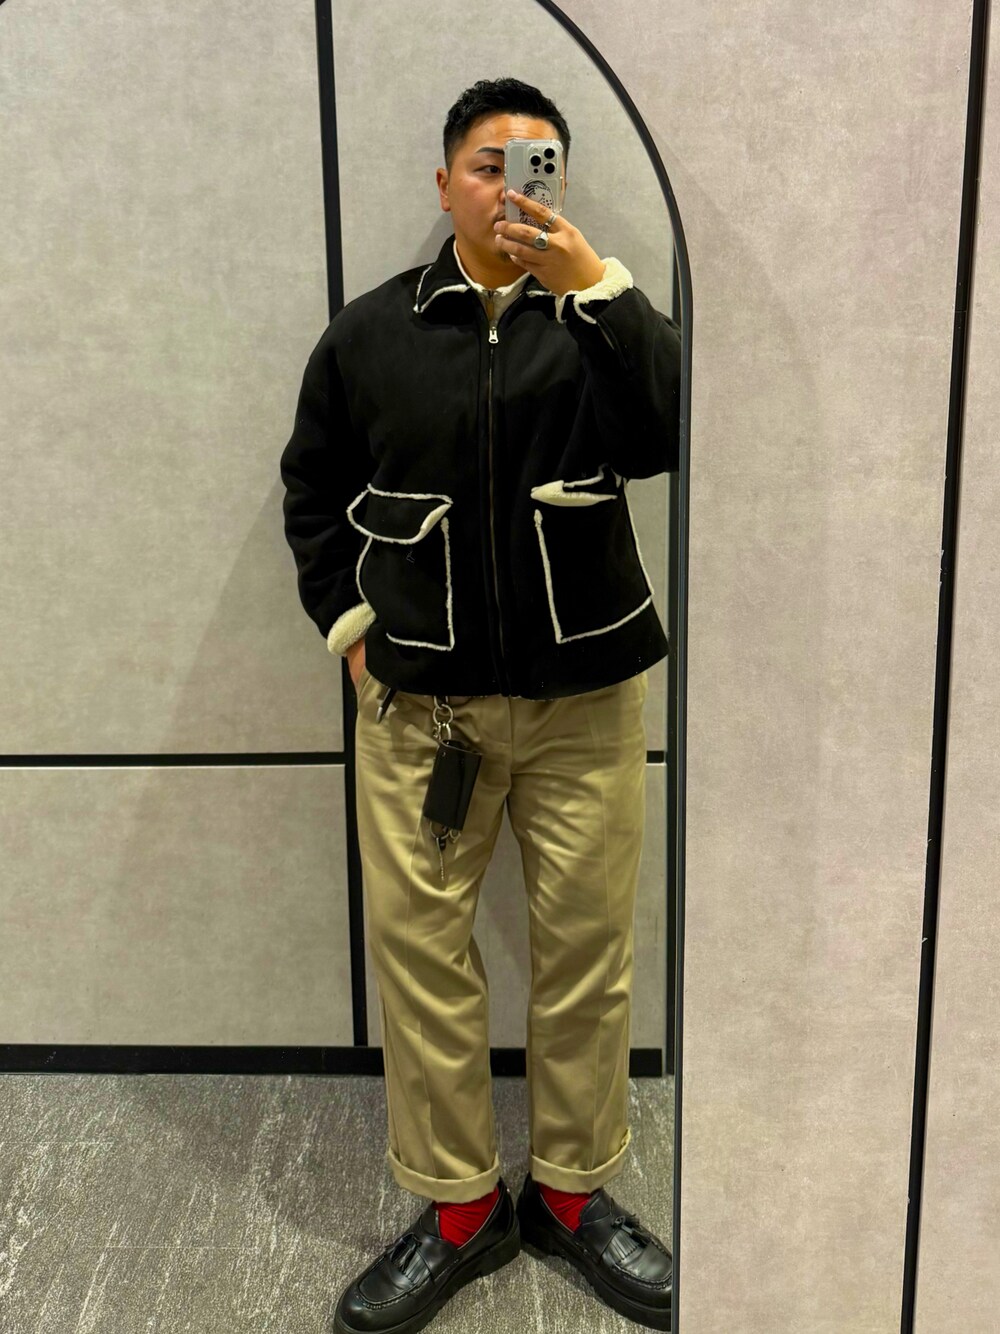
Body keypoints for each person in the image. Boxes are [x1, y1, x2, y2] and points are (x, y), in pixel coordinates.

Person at [279, 77, 681, 1334]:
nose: (512, 188)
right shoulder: (369, 334)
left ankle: (570, 1192)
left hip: (586, 700)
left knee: (586, 952)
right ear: (443, 183)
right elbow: (311, 490)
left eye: (536, 164)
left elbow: (670, 431)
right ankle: (461, 1210)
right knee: (421, 958)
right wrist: (353, 628)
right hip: (422, 711)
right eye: (488, 165)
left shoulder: (597, 318)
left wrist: (594, 287)